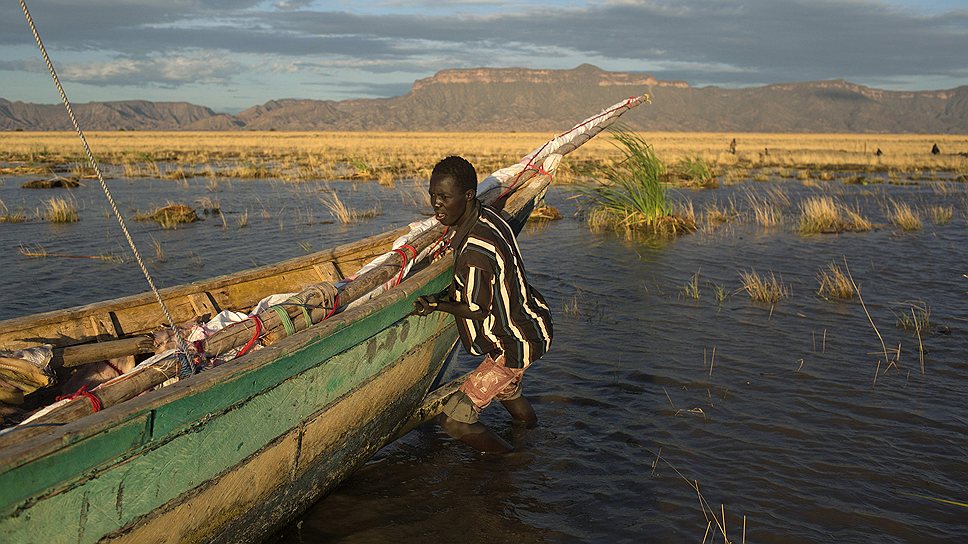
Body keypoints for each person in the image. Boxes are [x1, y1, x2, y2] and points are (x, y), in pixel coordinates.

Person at [413, 156, 553, 454]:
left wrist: (436, 304)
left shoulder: (475, 250)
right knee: (507, 389)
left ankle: (510, 461)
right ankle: (532, 440)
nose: (436, 204)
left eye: (445, 198)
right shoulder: (487, 217)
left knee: (454, 420)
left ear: (467, 196)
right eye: (433, 196)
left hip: (512, 342)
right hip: (531, 324)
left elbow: (475, 309)